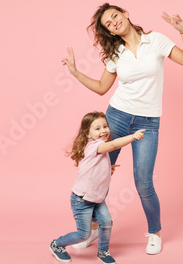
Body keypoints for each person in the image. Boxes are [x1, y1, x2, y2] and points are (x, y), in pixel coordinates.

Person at [61, 3, 183, 255]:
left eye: (115, 16)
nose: (114, 23)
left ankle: (154, 233)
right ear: (110, 32)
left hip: (148, 121)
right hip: (117, 118)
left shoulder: (155, 40)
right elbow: (103, 87)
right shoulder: (116, 53)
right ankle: (91, 229)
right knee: (98, 174)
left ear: (125, 14)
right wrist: (75, 72)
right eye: (108, 24)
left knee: (144, 182)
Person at [50, 111, 145, 263]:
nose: (103, 131)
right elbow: (113, 145)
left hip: (97, 198)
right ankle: (57, 244)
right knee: (83, 234)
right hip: (82, 200)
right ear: (88, 133)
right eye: (97, 128)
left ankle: (103, 252)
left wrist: (108, 168)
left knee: (107, 222)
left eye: (105, 126)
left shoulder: (98, 147)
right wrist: (132, 137)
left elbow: (94, 167)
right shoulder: (94, 146)